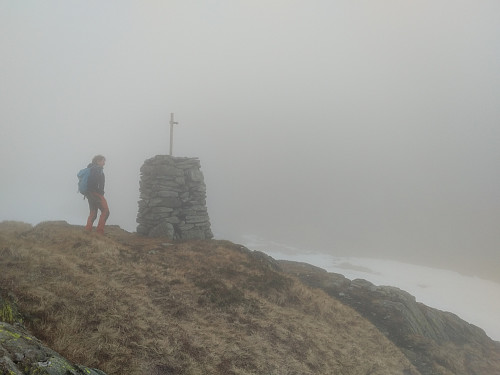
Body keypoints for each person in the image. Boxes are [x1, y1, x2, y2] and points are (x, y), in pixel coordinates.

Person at [85, 155, 110, 234]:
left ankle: (87, 230)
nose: (104, 163)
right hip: (96, 193)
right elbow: (95, 183)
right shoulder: (97, 170)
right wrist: (99, 192)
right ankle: (99, 232)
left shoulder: (90, 169)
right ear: (98, 161)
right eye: (103, 161)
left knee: (93, 212)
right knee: (106, 211)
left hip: (89, 193)